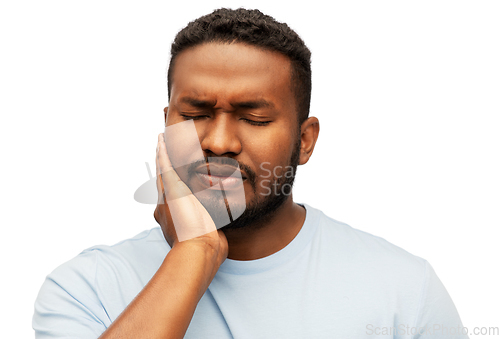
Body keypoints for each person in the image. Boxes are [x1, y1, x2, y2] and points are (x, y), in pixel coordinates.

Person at [33, 8, 468, 339]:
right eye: (196, 113)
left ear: (305, 140)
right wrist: (195, 254)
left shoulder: (405, 291)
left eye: (254, 118)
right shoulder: (85, 289)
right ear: (166, 126)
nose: (220, 141)